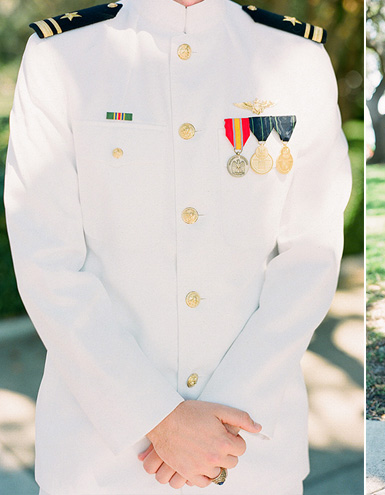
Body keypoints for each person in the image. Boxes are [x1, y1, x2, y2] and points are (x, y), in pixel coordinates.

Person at [4, 0, 351, 493]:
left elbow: (309, 257)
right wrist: (157, 417)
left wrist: (224, 419)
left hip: (247, 454)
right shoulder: (64, 52)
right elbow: (46, 260)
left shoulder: (296, 56)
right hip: (99, 457)